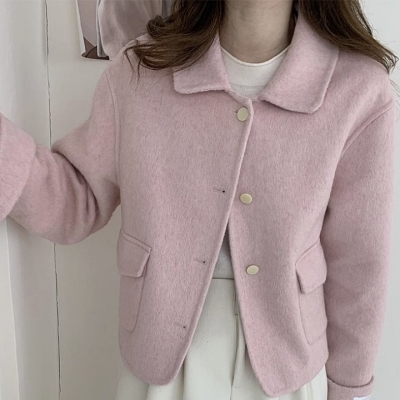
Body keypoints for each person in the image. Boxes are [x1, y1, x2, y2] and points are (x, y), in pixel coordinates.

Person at [0, 1, 397, 400]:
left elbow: (360, 261)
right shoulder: (141, 71)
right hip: (162, 365)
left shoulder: (359, 91)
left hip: (289, 365)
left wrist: (349, 386)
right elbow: (77, 198)